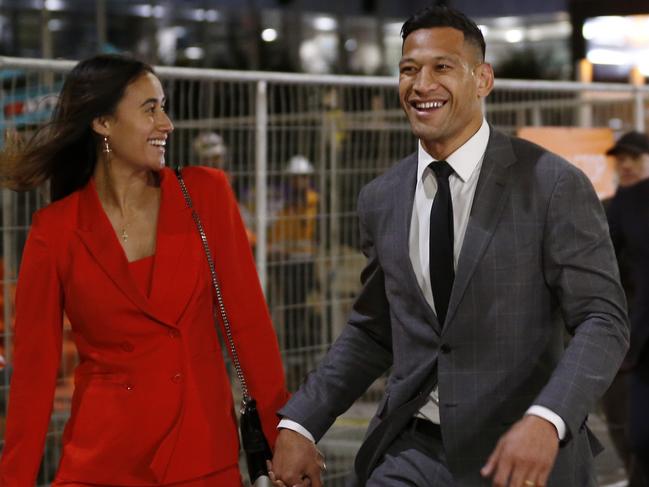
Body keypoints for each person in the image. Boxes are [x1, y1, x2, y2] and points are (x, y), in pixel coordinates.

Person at [269, 6, 629, 487]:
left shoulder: (553, 184)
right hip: (410, 452)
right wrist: (300, 422)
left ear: (482, 79)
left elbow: (602, 319)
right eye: (408, 69)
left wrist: (548, 418)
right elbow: (375, 330)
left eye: (442, 67)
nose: (421, 85)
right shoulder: (380, 198)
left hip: (517, 455)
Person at [0, 54, 289, 486]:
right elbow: (33, 376)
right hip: (102, 463)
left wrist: (285, 439)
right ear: (102, 122)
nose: (167, 123)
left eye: (165, 106)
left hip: (201, 458)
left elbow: (250, 331)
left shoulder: (206, 193)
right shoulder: (54, 231)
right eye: (150, 108)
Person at [606, 131, 649, 486]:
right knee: (630, 429)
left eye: (634, 157)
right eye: (620, 159)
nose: (625, 165)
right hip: (627, 335)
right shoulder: (618, 205)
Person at [268, 155, 319, 384]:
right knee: (289, 313)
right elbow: (275, 235)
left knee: (311, 312)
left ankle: (310, 356)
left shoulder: (315, 201)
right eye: (297, 178)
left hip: (307, 264)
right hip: (286, 264)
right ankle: (292, 361)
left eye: (304, 178)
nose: (301, 182)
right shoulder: (282, 204)